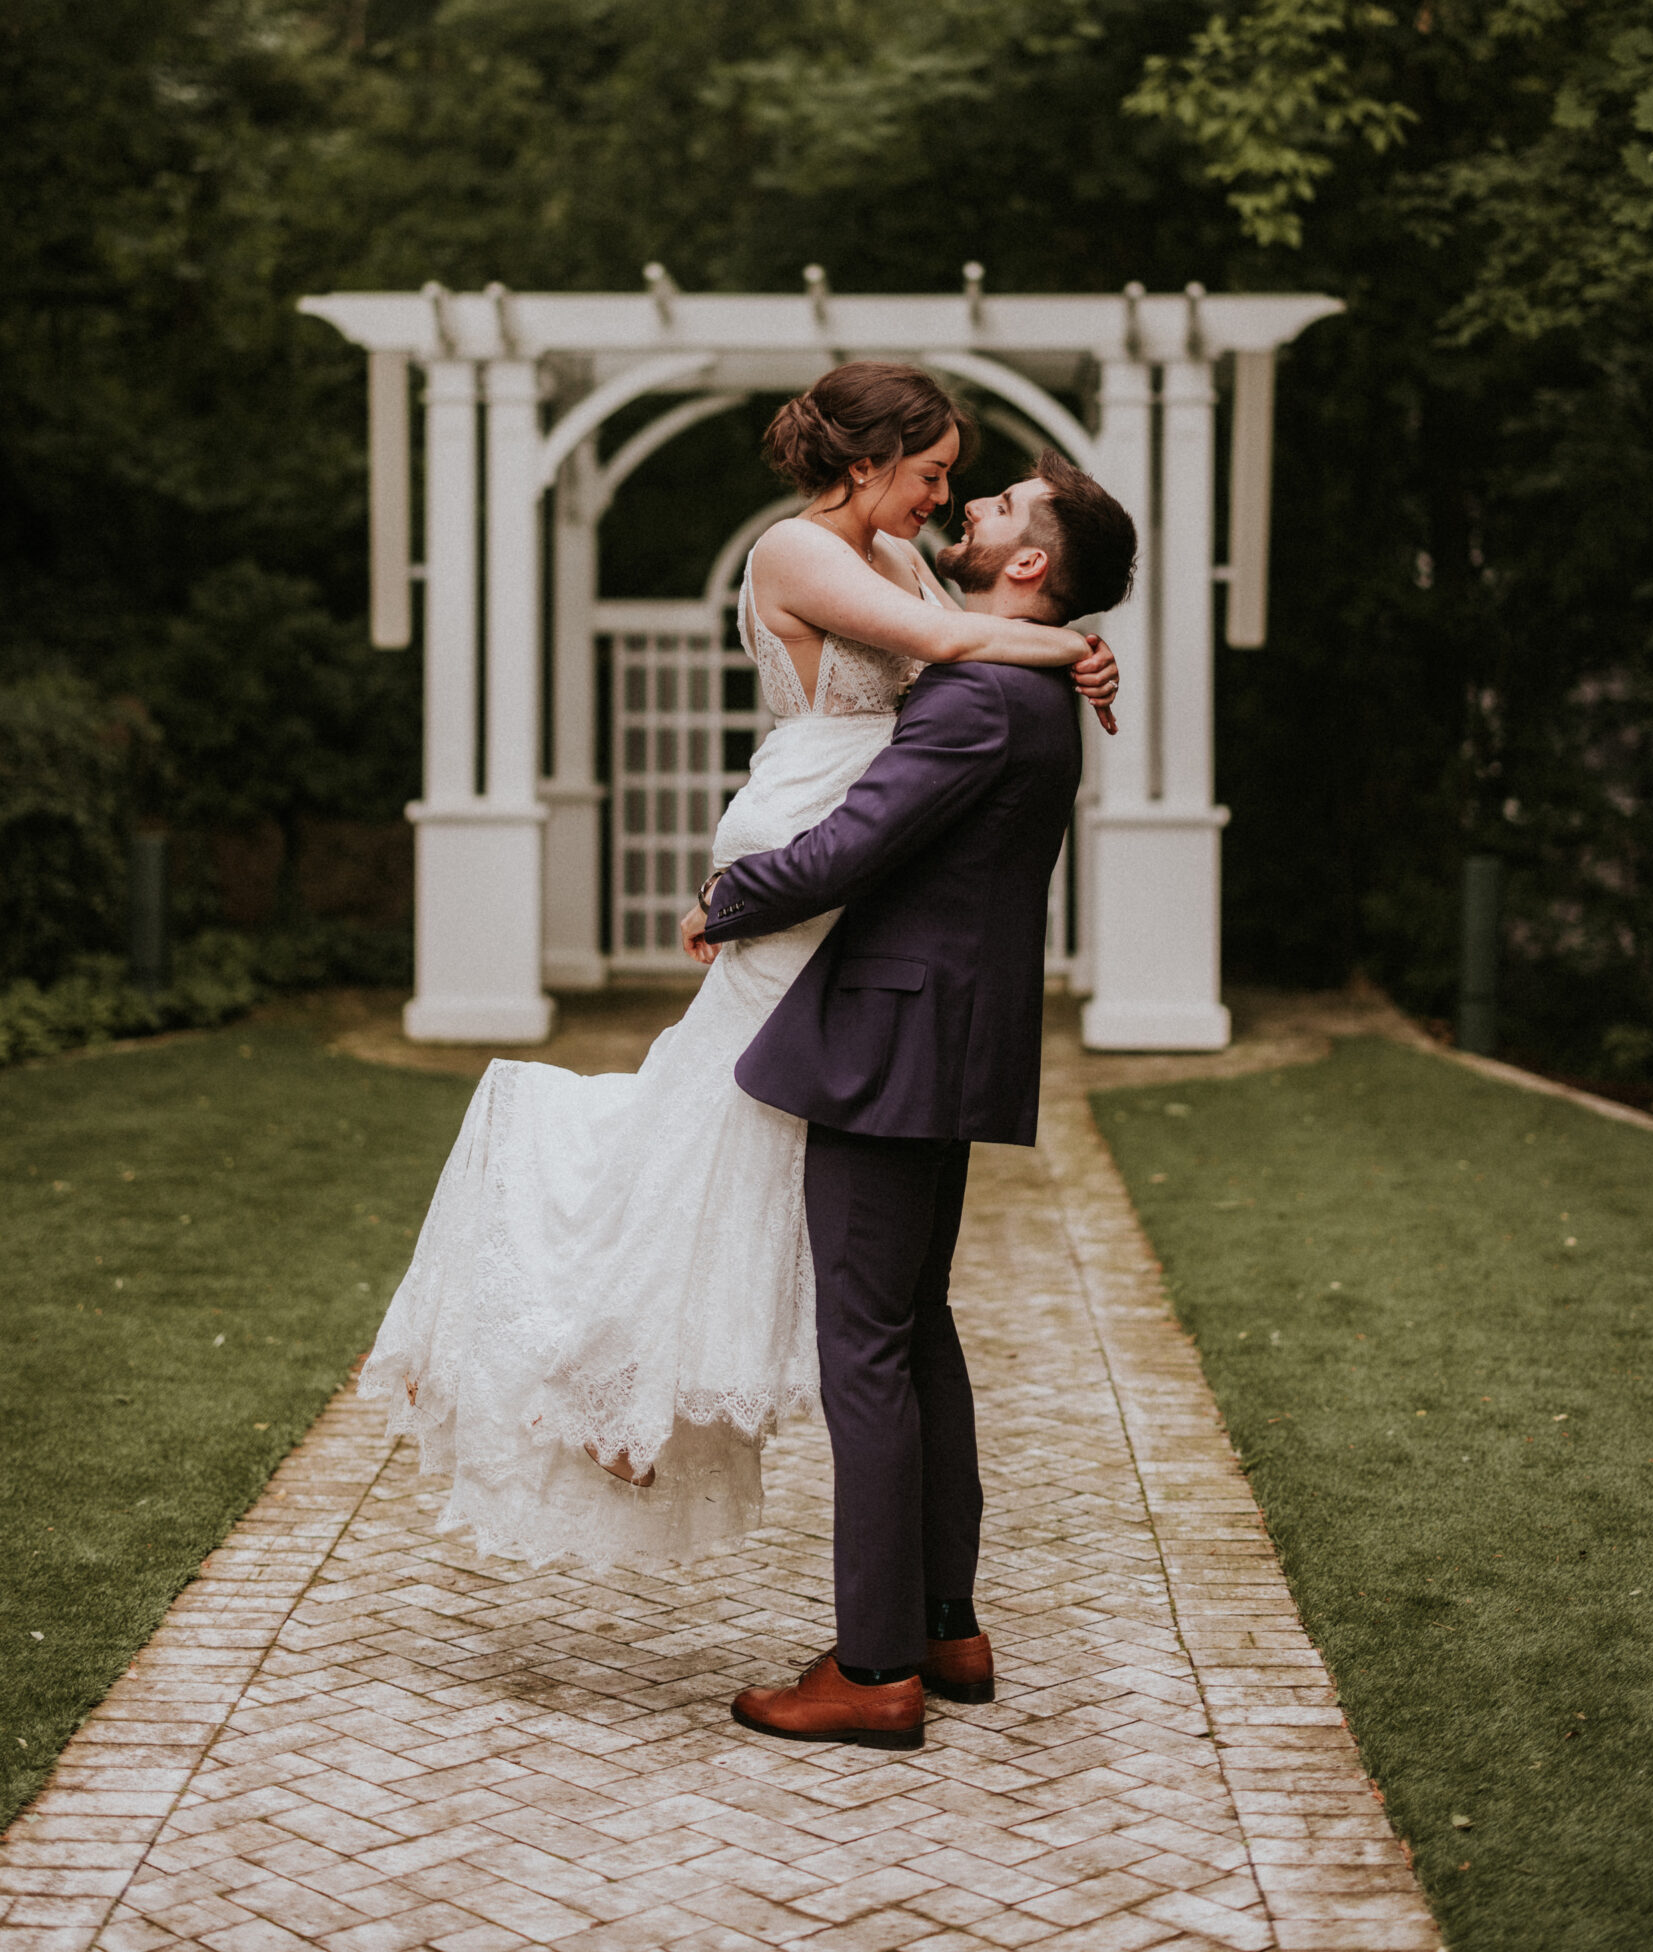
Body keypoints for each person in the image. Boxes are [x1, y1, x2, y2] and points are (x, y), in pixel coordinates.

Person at [359, 363, 1120, 1572]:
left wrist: (1055, 648)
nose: (942, 495)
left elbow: (958, 647)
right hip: (811, 823)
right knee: (722, 1106)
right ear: (867, 461)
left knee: (721, 1114)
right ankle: (595, 1360)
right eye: (930, 472)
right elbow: (938, 647)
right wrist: (1070, 644)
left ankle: (622, 1368)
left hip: (856, 833)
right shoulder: (796, 549)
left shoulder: (902, 554)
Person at [686, 450, 1138, 1750]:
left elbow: (854, 844)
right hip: (948, 1035)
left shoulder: (981, 699)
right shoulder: (1023, 686)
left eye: (994, 508)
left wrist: (730, 900)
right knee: (916, 1330)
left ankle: (875, 1667)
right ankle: (946, 1625)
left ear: (1030, 565)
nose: (968, 510)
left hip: (893, 1039)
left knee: (867, 1349)